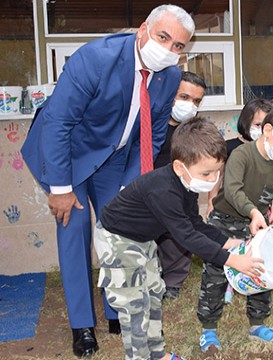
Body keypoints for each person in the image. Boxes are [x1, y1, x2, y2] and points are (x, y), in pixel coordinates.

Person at [20, 4, 194, 357]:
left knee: (119, 229)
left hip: (115, 157)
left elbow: (153, 134)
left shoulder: (170, 76)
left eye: (179, 46)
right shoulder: (94, 59)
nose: (169, 49)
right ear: (144, 29)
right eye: (164, 37)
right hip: (67, 155)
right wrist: (61, 189)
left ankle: (117, 309)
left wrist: (135, 186)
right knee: (76, 226)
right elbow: (58, 124)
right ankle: (82, 325)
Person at [94, 117, 264, 360]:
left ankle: (157, 354)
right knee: (135, 306)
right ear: (178, 167)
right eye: (206, 173)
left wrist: (227, 242)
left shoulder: (186, 185)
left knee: (153, 293)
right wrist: (231, 260)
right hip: (117, 239)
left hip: (143, 240)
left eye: (217, 171)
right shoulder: (163, 189)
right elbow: (186, 236)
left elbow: (194, 223)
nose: (212, 179)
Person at [198, 100, 273, 352]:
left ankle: (257, 323)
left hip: (256, 225)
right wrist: (252, 212)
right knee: (216, 275)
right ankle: (208, 329)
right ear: (268, 130)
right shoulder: (241, 154)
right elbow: (232, 189)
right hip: (224, 223)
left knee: (261, 270)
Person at [207, 98, 273, 305]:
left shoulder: (270, 152)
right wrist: (211, 203)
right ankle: (225, 285)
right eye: (257, 125)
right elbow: (216, 179)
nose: (261, 130)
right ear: (246, 122)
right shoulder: (230, 147)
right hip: (229, 210)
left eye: (266, 126)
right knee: (226, 248)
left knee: (253, 250)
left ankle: (247, 285)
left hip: (257, 214)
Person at [153, 71, 207, 301]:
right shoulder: (152, 125)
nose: (190, 105)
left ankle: (173, 282)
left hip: (184, 194)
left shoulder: (195, 130)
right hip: (152, 191)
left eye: (196, 101)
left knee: (177, 239)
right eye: (184, 97)